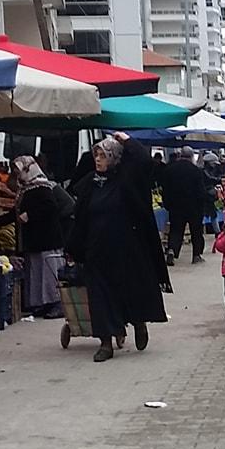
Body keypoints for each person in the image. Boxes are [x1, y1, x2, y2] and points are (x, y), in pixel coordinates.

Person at [65, 134, 168, 362]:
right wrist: (73, 247)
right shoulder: (91, 183)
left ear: (114, 157)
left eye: (103, 155)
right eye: (96, 155)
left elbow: (143, 161)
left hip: (125, 251)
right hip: (96, 252)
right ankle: (105, 344)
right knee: (100, 298)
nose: (99, 160)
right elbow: (80, 217)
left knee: (128, 292)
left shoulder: (126, 180)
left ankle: (139, 323)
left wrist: (127, 140)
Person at [0, 156, 73, 319]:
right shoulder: (26, 189)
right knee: (37, 273)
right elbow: (15, 214)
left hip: (46, 239)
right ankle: (43, 304)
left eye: (18, 170)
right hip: (35, 240)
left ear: (28, 169)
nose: (16, 174)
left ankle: (57, 304)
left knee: (49, 274)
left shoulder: (41, 186)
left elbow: (50, 208)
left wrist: (30, 215)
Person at [161, 147, 212, 264]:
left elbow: (165, 189)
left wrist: (168, 204)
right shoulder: (196, 171)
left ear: (180, 156)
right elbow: (200, 191)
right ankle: (196, 255)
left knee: (175, 230)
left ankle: (172, 250)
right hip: (194, 207)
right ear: (191, 157)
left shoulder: (170, 170)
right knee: (196, 231)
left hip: (176, 206)